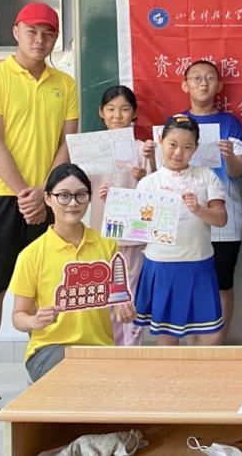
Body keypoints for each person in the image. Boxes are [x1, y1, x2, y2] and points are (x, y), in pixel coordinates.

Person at [0, 1, 78, 414]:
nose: (39, 39)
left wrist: (45, 194)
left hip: (48, 199)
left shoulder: (65, 84)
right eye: (32, 31)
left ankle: (45, 372)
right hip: (0, 198)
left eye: (48, 33)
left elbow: (66, 143)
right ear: (16, 31)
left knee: (48, 290)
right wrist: (24, 195)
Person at [9, 164, 135, 381]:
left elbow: (118, 299)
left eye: (81, 195)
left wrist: (123, 309)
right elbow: (18, 315)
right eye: (64, 196)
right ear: (48, 199)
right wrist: (33, 322)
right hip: (48, 349)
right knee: (81, 377)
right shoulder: (31, 254)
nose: (73, 203)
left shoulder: (107, 246)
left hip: (99, 349)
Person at [167, 60, 242, 342]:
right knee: (188, 282)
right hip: (183, 218)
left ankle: (217, 344)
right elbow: (165, 169)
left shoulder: (230, 123)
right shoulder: (175, 123)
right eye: (196, 78)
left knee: (222, 283)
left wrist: (229, 156)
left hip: (224, 217)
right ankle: (193, 345)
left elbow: (238, 172)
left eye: (210, 78)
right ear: (185, 85)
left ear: (219, 85)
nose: (203, 83)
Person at [134, 115, 227, 344]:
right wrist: (115, 208)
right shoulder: (148, 183)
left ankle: (200, 370)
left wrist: (199, 209)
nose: (178, 153)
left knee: (208, 334)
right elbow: (137, 227)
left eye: (187, 147)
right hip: (161, 265)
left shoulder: (206, 176)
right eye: (172, 144)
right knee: (167, 336)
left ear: (196, 148)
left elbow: (221, 219)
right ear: (160, 140)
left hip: (198, 263)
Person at [90, 85, 154, 346]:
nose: (117, 115)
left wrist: (143, 177)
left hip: (133, 236)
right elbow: (81, 189)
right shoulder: (91, 149)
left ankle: (130, 349)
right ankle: (110, 349)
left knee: (131, 294)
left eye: (125, 109)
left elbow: (155, 193)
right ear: (101, 112)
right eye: (111, 109)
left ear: (135, 113)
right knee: (105, 294)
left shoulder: (142, 150)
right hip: (100, 234)